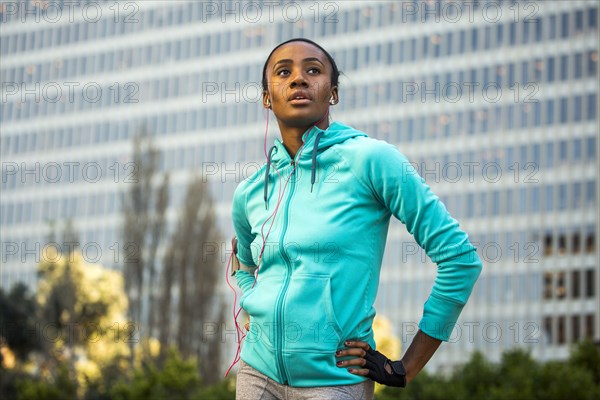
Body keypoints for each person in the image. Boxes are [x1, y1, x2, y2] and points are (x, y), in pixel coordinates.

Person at [230, 38, 483, 400]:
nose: (298, 79)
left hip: (334, 380)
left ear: (332, 94)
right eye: (283, 71)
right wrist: (256, 306)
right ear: (267, 97)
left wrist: (406, 367)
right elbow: (244, 265)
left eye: (313, 70)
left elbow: (460, 260)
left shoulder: (372, 160)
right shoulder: (251, 191)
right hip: (257, 376)